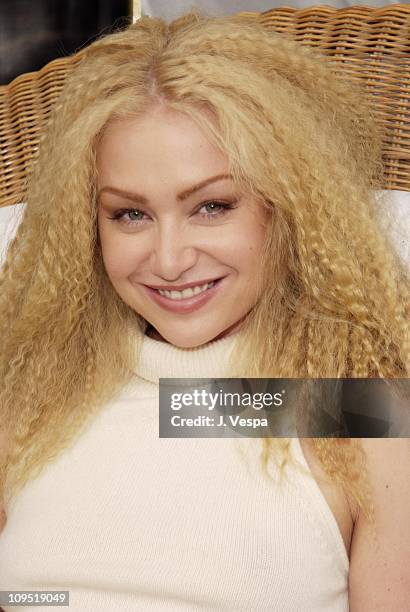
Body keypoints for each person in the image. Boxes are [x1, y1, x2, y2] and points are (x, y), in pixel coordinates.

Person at [0, 9, 409, 611]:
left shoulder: (356, 409)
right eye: (129, 214)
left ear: (288, 207)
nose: (168, 260)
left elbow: (198, 408)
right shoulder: (37, 393)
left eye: (212, 206)